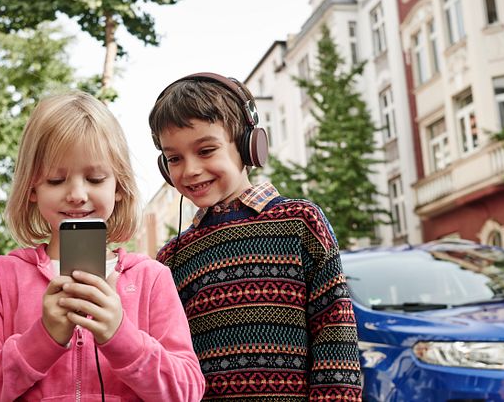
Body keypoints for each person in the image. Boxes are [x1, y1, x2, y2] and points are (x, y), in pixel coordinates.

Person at [0, 91, 205, 401]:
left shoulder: (151, 279)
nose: (77, 194)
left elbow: (186, 392)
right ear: (32, 188)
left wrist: (121, 336)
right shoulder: (2, 277)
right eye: (56, 181)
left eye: (95, 179)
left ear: (119, 186)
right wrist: (42, 339)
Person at [148, 73, 363, 401]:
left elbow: (336, 339)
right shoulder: (172, 257)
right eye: (174, 158)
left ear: (249, 144)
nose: (189, 169)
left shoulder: (300, 224)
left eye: (206, 150)